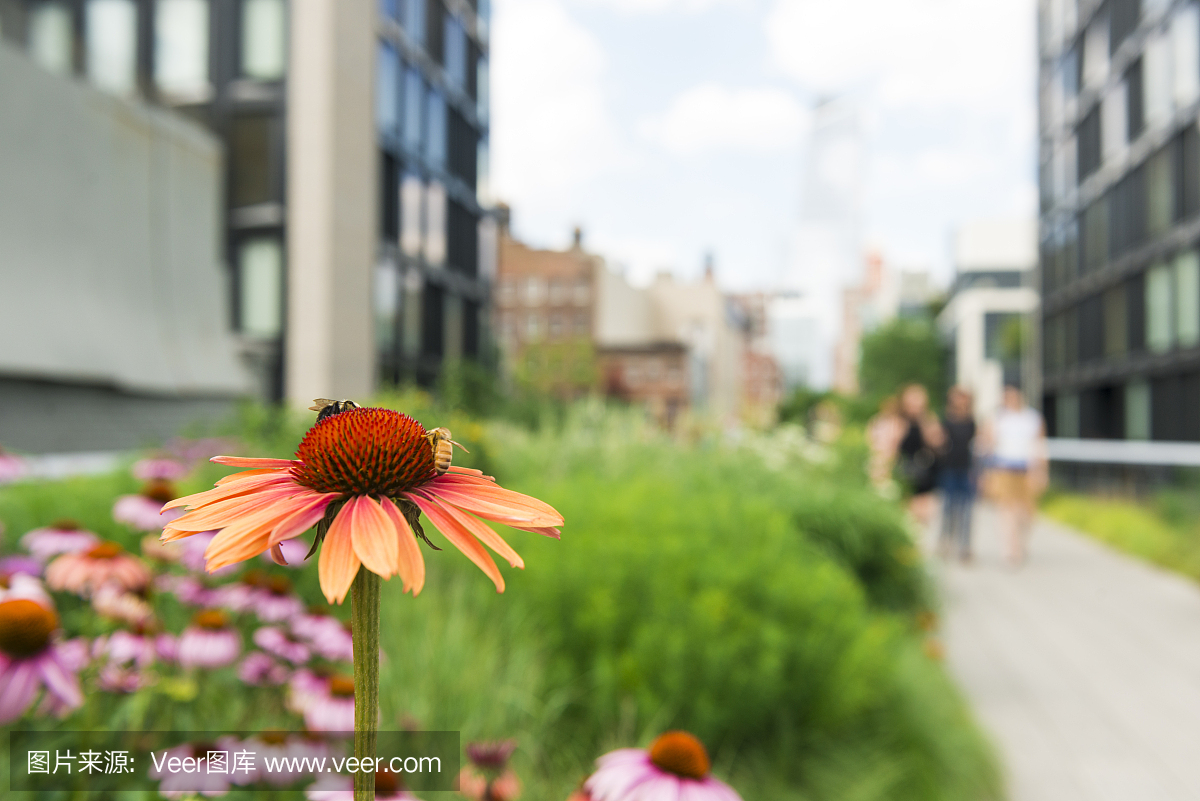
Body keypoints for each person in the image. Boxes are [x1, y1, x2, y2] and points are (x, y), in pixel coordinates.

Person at [982, 385, 1047, 566]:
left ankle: (1020, 542)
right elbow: (987, 446)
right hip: (1003, 467)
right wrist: (986, 472)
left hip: (1027, 469)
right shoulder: (996, 418)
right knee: (1006, 509)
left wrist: (1041, 470)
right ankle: (1010, 548)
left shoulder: (1032, 418)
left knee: (1026, 512)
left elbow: (1040, 444)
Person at [937, 387, 977, 562]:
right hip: (949, 468)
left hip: (966, 469)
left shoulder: (972, 422)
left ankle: (965, 546)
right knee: (948, 508)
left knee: (966, 510)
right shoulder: (945, 420)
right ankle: (945, 542)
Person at [896, 384, 944, 525]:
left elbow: (939, 445)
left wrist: (927, 428)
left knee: (924, 518)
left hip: (925, 475)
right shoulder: (899, 421)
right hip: (904, 474)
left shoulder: (929, 420)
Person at [866, 396, 905, 495]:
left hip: (890, 453)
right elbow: (869, 435)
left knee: (886, 473)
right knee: (875, 473)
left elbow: (898, 439)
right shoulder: (876, 420)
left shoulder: (897, 422)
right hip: (876, 451)